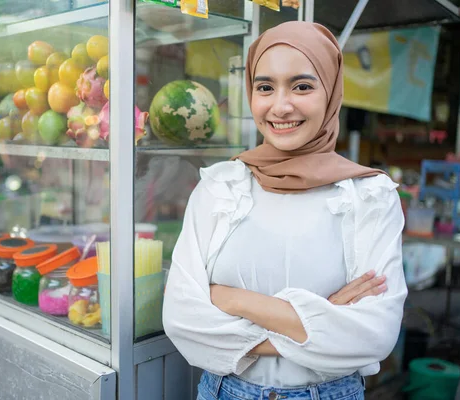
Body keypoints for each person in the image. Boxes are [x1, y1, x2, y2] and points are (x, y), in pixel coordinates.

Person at [163, 21, 407, 400]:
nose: (281, 106)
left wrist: (231, 299)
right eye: (265, 87)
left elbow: (374, 335)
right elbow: (182, 320)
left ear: (331, 92)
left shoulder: (369, 196)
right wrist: (320, 320)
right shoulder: (220, 187)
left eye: (302, 86)